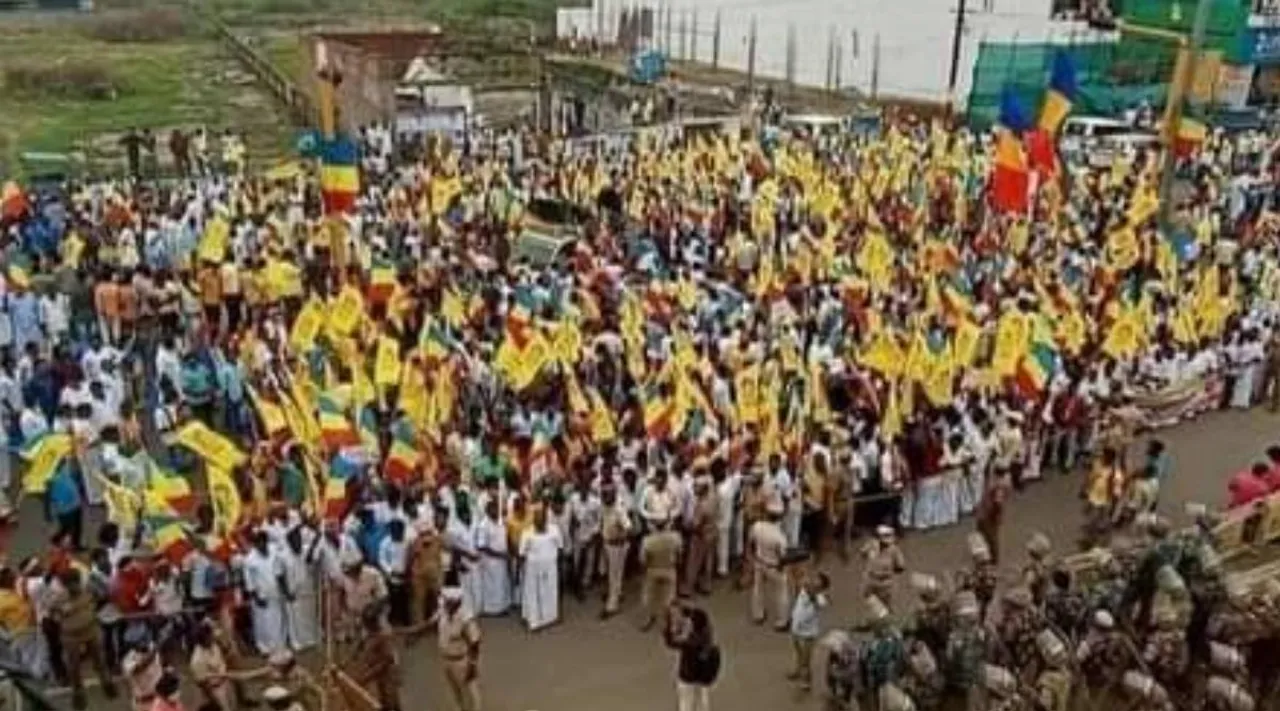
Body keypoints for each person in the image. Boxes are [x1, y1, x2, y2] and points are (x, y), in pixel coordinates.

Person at [56, 568, 117, 709]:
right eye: (70, 584)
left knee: (100, 660)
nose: (74, 586)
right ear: (65, 585)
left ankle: (107, 684)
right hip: (71, 636)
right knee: (74, 667)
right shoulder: (59, 599)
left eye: (76, 582)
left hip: (91, 631)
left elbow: (103, 597)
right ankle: (78, 693)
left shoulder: (89, 591)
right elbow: (55, 617)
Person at [664, 604, 720, 711]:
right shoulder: (673, 631)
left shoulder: (698, 617)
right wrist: (675, 632)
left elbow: (705, 638)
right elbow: (672, 643)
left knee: (702, 699)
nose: (676, 618)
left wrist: (685, 635)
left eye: (676, 614)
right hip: (688, 670)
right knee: (686, 700)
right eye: (672, 616)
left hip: (702, 669)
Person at [437, 586, 482, 711]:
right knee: (454, 692)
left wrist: (472, 665)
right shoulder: (442, 611)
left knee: (470, 694)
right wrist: (407, 631)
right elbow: (429, 623)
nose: (445, 604)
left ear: (457, 603)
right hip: (446, 659)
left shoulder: (466, 618)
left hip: (461, 661)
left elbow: (475, 642)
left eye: (448, 602)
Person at [243, 530, 288, 655]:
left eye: (264, 542)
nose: (262, 545)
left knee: (279, 620)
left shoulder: (273, 551)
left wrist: (284, 590)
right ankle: (264, 647)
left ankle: (280, 645)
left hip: (275, 593)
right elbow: (249, 581)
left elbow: (279, 572)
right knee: (263, 622)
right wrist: (256, 597)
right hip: (261, 596)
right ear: (255, 544)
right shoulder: (249, 559)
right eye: (259, 543)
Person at [518, 507, 563, 631]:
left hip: (550, 568)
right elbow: (521, 554)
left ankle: (551, 618)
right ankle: (533, 621)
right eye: (537, 522)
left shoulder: (554, 530)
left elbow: (560, 547)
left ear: (546, 520)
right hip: (533, 569)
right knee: (533, 594)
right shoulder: (527, 533)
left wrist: (559, 566)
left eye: (542, 521)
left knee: (550, 592)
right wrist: (522, 571)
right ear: (533, 521)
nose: (540, 524)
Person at [347, 609, 401, 711]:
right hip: (375, 678)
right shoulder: (368, 635)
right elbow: (358, 648)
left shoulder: (382, 637)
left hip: (386, 677)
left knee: (389, 702)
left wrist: (367, 676)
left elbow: (386, 660)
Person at [787, 570, 829, 691]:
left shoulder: (820, 598)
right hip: (796, 627)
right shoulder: (803, 590)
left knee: (806, 658)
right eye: (815, 579)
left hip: (809, 633)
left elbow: (818, 602)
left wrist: (809, 589)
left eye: (817, 581)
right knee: (798, 653)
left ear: (822, 586)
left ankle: (806, 681)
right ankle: (798, 670)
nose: (814, 581)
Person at [640, 514, 682, 631]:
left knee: (649, 597)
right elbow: (679, 555)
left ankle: (649, 618)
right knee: (669, 598)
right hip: (669, 569)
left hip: (653, 570)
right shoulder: (675, 537)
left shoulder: (648, 541)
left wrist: (645, 570)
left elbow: (643, 560)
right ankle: (671, 624)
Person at [474, 498, 511, 617]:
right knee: (491, 585)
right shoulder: (484, 525)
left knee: (501, 583)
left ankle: (501, 607)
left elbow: (505, 537)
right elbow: (482, 546)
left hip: (502, 560)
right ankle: (491, 610)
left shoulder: (501, 521)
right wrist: (499, 554)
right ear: (487, 511)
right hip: (490, 561)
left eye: (496, 508)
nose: (495, 511)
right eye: (492, 509)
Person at [600, 482, 631, 618]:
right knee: (612, 573)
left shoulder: (619, 509)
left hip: (617, 546)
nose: (604, 498)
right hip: (608, 543)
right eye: (603, 495)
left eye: (607, 496)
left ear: (613, 495)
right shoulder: (605, 506)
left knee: (614, 575)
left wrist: (620, 538)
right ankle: (617, 594)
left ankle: (612, 606)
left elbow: (629, 528)